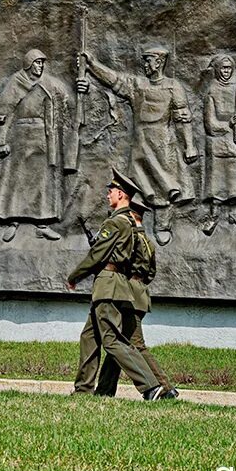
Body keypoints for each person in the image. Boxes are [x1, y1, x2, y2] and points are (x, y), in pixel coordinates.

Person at [76, 46, 197, 246]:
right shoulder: (138, 85)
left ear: (159, 62)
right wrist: (92, 65)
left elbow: (183, 119)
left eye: (148, 60)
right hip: (141, 142)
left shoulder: (174, 87)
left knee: (163, 185)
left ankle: (162, 225)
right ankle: (130, 226)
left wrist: (190, 146)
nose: (145, 65)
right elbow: (114, 80)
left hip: (164, 142)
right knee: (135, 184)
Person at [68, 167, 164, 401]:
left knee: (112, 340)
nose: (108, 194)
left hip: (108, 286)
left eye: (111, 190)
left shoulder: (116, 223)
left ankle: (150, 386)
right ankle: (83, 389)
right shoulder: (130, 225)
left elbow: (98, 254)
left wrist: (75, 275)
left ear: (121, 195)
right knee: (89, 338)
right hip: (113, 285)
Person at [94, 193, 178, 399]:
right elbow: (150, 273)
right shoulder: (148, 241)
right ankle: (104, 391)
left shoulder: (133, 238)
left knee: (132, 344)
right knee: (119, 342)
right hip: (139, 293)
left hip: (127, 293)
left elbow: (122, 262)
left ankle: (163, 388)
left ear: (133, 215)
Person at [0, 49, 77, 242]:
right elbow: (5, 113)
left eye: (42, 63)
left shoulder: (49, 83)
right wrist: (0, 141)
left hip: (42, 140)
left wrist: (82, 88)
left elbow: (66, 98)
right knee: (16, 182)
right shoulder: (16, 82)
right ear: (29, 64)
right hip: (20, 137)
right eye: (37, 63)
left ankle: (42, 225)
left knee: (43, 182)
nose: (41, 66)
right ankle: (13, 222)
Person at [201, 54, 236, 236]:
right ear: (217, 70)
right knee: (216, 181)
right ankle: (213, 215)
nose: (227, 72)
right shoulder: (211, 91)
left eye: (229, 68)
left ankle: (234, 213)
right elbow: (210, 125)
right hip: (216, 145)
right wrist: (228, 124)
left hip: (234, 143)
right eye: (223, 68)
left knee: (234, 179)